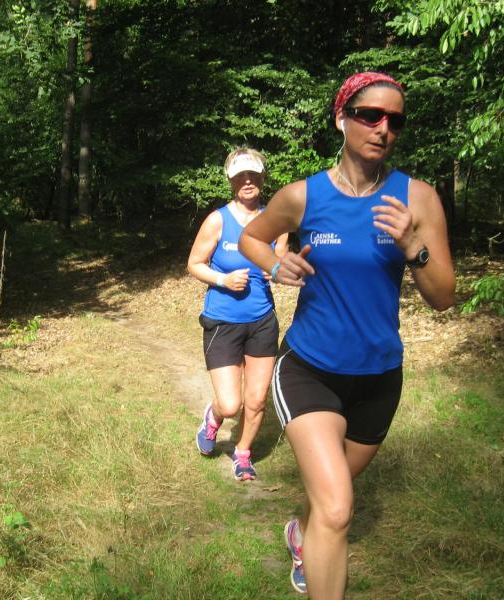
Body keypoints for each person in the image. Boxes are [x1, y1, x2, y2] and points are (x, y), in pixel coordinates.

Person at [239, 72, 455, 597]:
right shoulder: (303, 196)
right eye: (370, 115)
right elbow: (251, 238)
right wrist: (277, 264)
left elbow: (444, 297)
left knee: (327, 500)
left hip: (379, 377)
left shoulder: (418, 199)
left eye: (395, 121)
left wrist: (413, 247)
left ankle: (300, 534)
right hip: (309, 369)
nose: (383, 129)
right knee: (337, 509)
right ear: (342, 119)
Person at [187, 147, 288, 481]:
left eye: (253, 175)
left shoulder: (277, 221)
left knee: (256, 401)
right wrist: (223, 280)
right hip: (223, 322)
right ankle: (214, 418)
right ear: (231, 180)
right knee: (231, 404)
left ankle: (242, 453)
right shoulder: (218, 220)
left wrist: (277, 270)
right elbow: (194, 264)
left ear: (262, 178)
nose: (247, 181)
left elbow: (280, 264)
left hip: (262, 321)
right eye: (240, 176)